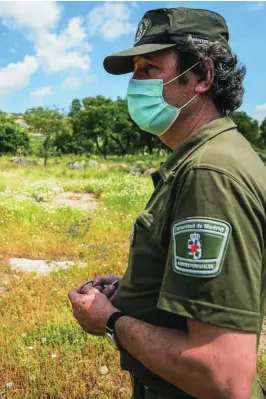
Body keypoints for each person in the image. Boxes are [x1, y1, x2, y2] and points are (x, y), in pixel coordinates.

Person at [69, 7, 266, 399]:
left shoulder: (209, 174)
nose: (134, 83)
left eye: (149, 69)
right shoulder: (210, 156)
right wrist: (138, 287)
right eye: (134, 70)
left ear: (203, 77)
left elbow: (223, 376)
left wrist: (111, 322)